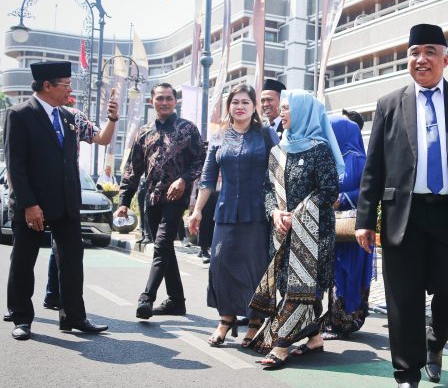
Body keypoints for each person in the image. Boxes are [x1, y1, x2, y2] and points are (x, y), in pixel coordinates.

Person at [355, 23, 448, 388]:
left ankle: (437, 338)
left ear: (445, 59)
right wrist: (365, 220)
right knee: (403, 299)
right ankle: (407, 376)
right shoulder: (390, 103)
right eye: (414, 52)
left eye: (430, 52)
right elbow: (374, 167)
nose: (421, 60)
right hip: (403, 214)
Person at [4, 61, 108, 340]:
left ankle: (74, 317)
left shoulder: (68, 117)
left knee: (72, 261)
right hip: (33, 204)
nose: (70, 89)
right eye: (65, 84)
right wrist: (29, 204)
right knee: (24, 261)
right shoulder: (20, 114)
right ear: (47, 86)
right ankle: (21, 317)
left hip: (66, 202)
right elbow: (16, 165)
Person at [250, 90, 344, 368]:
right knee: (288, 287)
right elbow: (268, 189)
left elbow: (329, 191)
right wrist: (275, 212)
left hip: (314, 235)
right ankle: (314, 338)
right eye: (282, 107)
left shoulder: (320, 150)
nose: (281, 111)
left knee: (301, 290)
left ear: (303, 112)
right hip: (282, 232)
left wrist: (299, 214)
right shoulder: (276, 151)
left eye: (288, 107)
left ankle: (280, 347)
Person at [188, 84, 278, 347]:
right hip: (225, 212)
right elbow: (206, 180)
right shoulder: (218, 137)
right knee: (221, 265)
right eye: (235, 102)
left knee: (255, 269)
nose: (240, 107)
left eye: (245, 102)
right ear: (228, 106)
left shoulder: (265, 135)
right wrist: (196, 211)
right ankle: (225, 320)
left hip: (258, 213)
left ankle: (255, 323)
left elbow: (279, 172)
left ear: (254, 107)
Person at [116, 83, 204, 319]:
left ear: (175, 101)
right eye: (159, 99)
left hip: (176, 198)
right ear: (151, 101)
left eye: (168, 98)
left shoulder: (188, 129)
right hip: (151, 199)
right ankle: (176, 301)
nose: (164, 102)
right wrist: (125, 201)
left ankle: (146, 297)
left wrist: (184, 180)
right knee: (165, 250)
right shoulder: (143, 133)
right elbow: (133, 170)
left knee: (162, 245)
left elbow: (201, 161)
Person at [43, 94, 121, 311]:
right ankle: (19, 308)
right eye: (64, 84)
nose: (67, 90)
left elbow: (102, 138)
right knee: (26, 250)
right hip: (37, 190)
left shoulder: (74, 117)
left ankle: (56, 298)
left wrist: (113, 119)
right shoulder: (30, 113)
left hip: (67, 190)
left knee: (65, 245)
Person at [319, 115, 374, 340]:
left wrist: (341, 198)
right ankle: (335, 319)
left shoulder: (358, 159)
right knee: (336, 272)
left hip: (353, 229)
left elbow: (369, 191)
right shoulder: (333, 157)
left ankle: (345, 321)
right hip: (334, 227)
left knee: (349, 272)